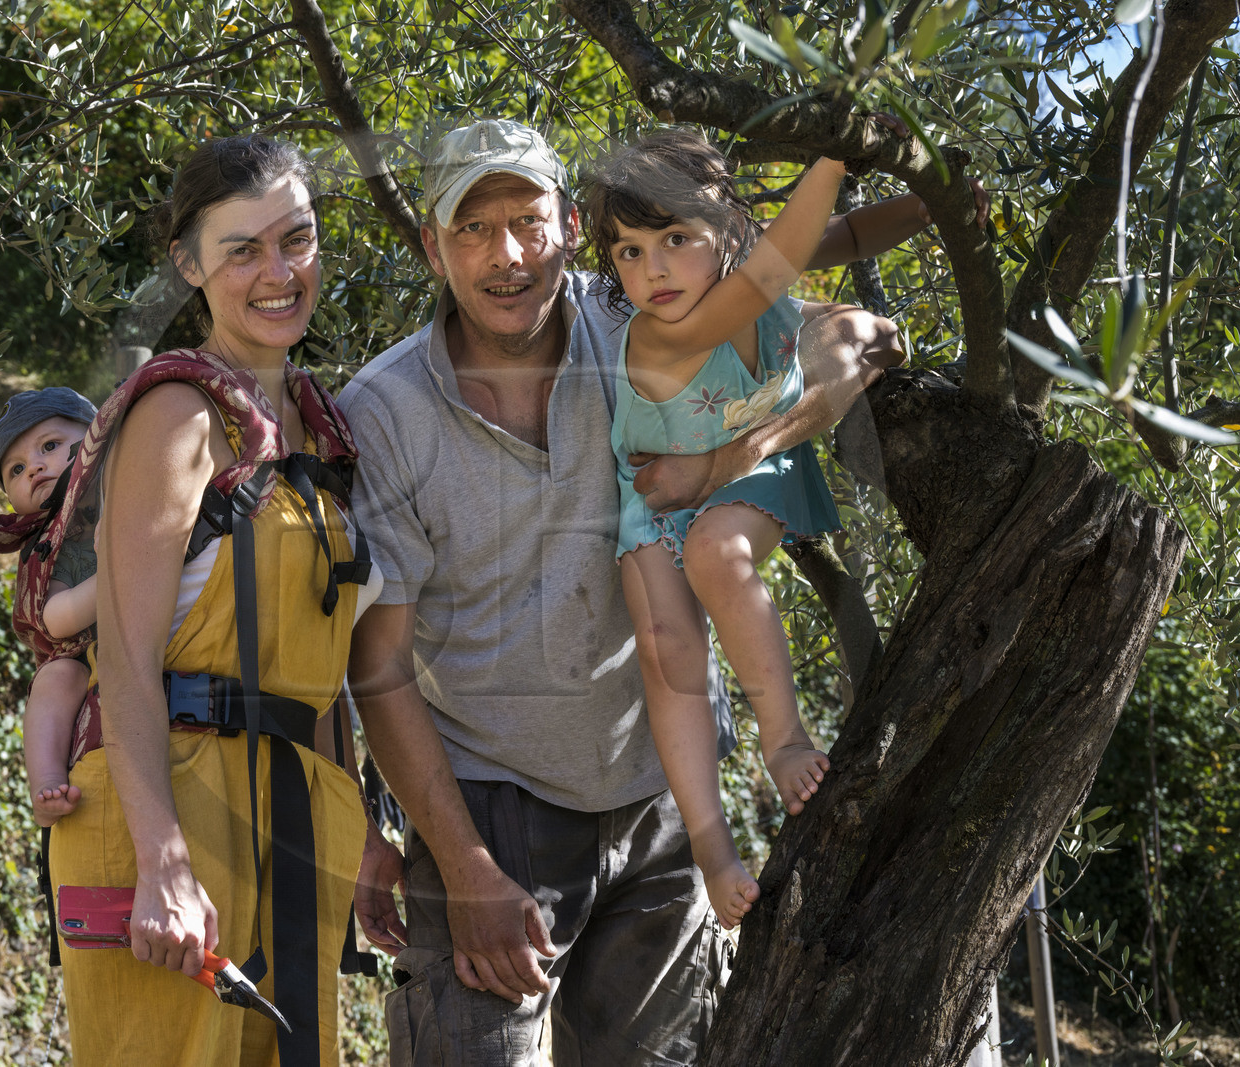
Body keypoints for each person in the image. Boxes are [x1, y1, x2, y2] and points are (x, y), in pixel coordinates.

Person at [340, 117, 984, 1066]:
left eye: (526, 221)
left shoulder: (639, 310)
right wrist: (468, 870)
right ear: (433, 246)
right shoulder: (384, 411)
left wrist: (849, 344)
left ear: (567, 224)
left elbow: (803, 314)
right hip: (492, 810)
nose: (507, 256)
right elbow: (379, 670)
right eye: (471, 231)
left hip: (661, 806)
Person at [47, 134, 379, 1067]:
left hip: (290, 818)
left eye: (297, 240)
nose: (278, 273)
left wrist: (370, 836)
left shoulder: (319, 425)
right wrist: (163, 860)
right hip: (168, 811)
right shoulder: (177, 417)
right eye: (243, 251)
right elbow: (126, 655)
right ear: (190, 266)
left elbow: (317, 670)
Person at [581, 131, 868, 927]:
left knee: (717, 551)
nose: (654, 271)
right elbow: (790, 253)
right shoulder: (665, 332)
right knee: (669, 651)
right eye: (629, 253)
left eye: (675, 238)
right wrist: (835, 148)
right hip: (650, 499)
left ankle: (784, 742)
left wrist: (940, 201)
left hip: (744, 473)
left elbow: (842, 237)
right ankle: (712, 846)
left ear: (731, 231)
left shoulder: (759, 282)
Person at [0, 386, 100, 827]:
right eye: (15, 469)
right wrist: (117, 577)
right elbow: (55, 618)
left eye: (50, 446)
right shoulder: (50, 539)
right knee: (54, 680)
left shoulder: (131, 488)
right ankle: (46, 783)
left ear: (98, 437)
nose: (34, 466)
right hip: (78, 649)